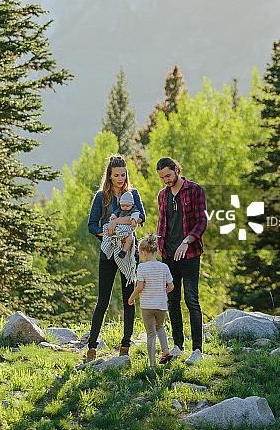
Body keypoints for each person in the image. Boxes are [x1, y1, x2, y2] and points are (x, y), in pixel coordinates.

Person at [86, 154, 146, 362]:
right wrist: (108, 232)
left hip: (129, 253)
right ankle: (92, 345)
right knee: (103, 299)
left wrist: (118, 222)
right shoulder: (101, 197)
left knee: (129, 298)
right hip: (108, 252)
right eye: (116, 175)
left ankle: (125, 345)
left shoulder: (133, 194)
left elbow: (142, 217)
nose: (120, 179)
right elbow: (92, 225)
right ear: (109, 176)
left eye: (123, 174)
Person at [156, 156, 207, 365]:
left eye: (168, 175)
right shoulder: (162, 195)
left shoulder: (195, 190)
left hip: (190, 254)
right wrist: (158, 248)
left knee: (191, 300)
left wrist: (187, 240)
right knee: (173, 301)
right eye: (162, 177)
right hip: (168, 256)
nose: (166, 180)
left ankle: (197, 349)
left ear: (177, 170)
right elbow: (162, 223)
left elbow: (202, 220)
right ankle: (178, 346)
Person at [128, 232, 174, 368]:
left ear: (143, 252)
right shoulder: (164, 267)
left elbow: (140, 287)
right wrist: (162, 292)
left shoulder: (142, 267)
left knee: (150, 335)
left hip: (148, 306)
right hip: (161, 305)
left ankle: (152, 364)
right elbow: (171, 286)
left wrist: (131, 297)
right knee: (160, 327)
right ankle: (166, 351)